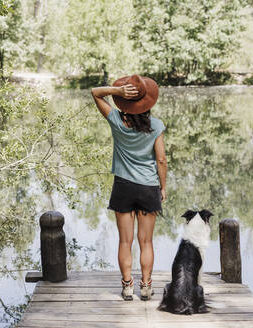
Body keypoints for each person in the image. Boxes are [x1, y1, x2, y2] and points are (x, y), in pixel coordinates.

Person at [91, 74, 167, 301]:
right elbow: (161, 160)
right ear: (148, 102)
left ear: (125, 101)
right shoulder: (156, 126)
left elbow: (95, 92)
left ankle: (127, 286)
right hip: (148, 187)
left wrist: (116, 92)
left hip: (123, 186)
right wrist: (163, 187)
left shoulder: (115, 119)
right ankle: (146, 286)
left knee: (125, 241)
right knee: (146, 241)